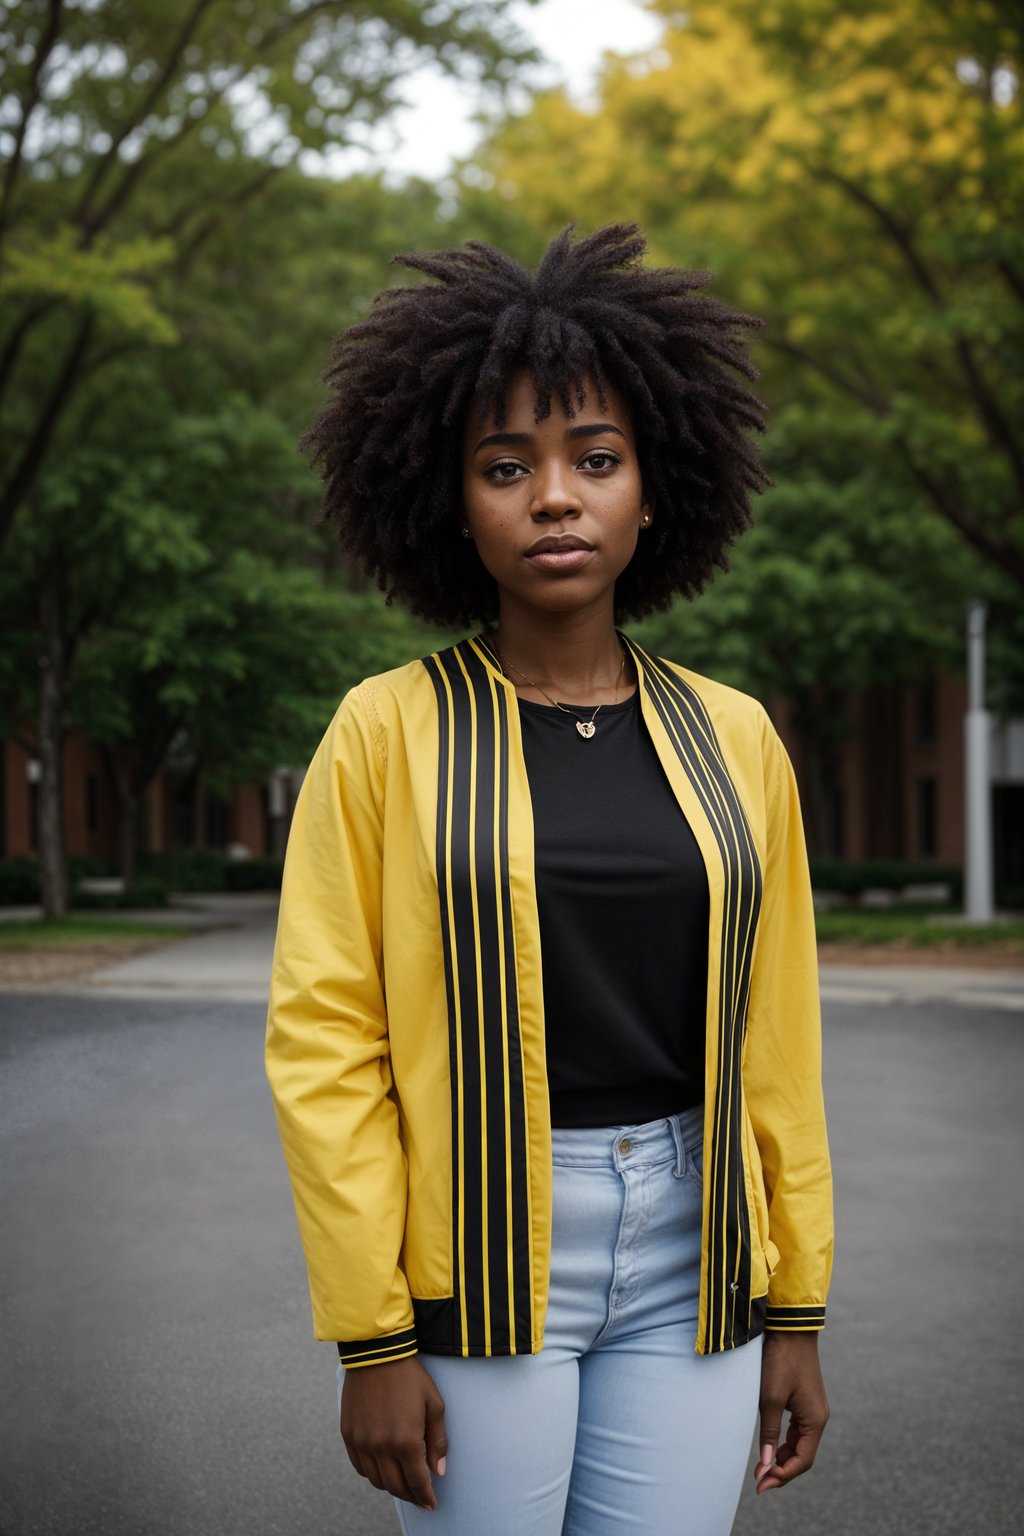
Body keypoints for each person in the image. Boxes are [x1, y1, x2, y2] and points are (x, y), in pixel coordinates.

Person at [265, 223, 833, 1536]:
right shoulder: (386, 731)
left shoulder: (736, 737)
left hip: (696, 1253)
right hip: (480, 1248)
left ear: (655, 487)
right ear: (451, 502)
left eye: (596, 459)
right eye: (506, 466)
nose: (556, 497)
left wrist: (793, 1308)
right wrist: (370, 1337)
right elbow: (324, 1044)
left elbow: (779, 1042)